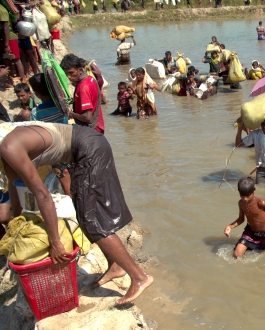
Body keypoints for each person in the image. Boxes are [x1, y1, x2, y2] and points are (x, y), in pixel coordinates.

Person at [0, 123, 154, 305]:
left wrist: (55, 242)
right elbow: (13, 185)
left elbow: (43, 195)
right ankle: (115, 266)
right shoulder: (6, 149)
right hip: (84, 147)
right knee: (84, 215)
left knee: (92, 221)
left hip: (89, 149)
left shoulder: (9, 148)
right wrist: (17, 223)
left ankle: (139, 277)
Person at [223, 177, 265, 258]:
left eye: (247, 196)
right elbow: (241, 219)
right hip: (250, 233)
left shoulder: (261, 203)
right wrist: (230, 226)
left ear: (254, 191)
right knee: (236, 255)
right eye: (242, 196)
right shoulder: (241, 203)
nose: (245, 199)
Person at [61, 54, 104, 135]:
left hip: (91, 131)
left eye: (71, 73)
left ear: (80, 70)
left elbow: (87, 117)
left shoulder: (83, 88)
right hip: (99, 125)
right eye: (66, 74)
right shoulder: (90, 78)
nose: (69, 77)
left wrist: (70, 113)